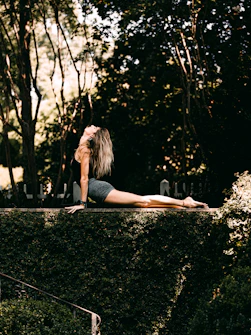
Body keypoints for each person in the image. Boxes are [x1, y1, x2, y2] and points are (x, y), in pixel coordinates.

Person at [66, 125, 208, 214]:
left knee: (143, 201)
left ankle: (184, 202)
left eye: (95, 127)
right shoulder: (81, 148)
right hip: (96, 189)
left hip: (97, 189)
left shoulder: (85, 149)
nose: (92, 125)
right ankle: (181, 205)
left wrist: (82, 204)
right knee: (142, 204)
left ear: (92, 135)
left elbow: (84, 178)